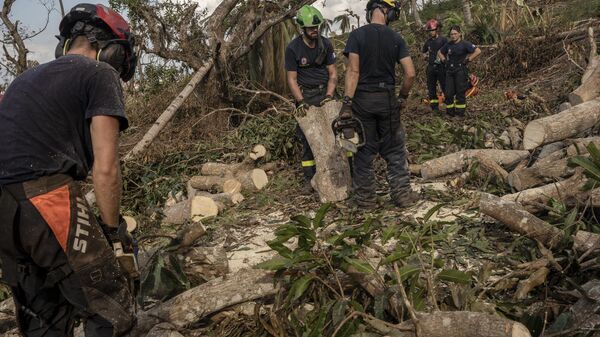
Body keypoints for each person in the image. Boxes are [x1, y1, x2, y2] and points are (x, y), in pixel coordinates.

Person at [0, 3, 138, 336]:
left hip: (3, 210)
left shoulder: (23, 80)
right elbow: (106, 169)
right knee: (112, 312)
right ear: (109, 51)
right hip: (46, 196)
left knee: (44, 319)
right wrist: (114, 230)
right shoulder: (100, 73)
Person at [340, 0, 419, 209]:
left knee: (363, 152)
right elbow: (410, 74)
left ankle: (366, 200)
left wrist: (346, 103)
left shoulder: (357, 36)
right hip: (387, 99)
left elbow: (353, 72)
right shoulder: (396, 38)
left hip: (363, 100)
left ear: (371, 11)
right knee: (394, 150)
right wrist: (401, 97)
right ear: (387, 11)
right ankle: (402, 196)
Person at [285, 5, 338, 192]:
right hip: (306, 94)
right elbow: (291, 79)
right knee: (308, 138)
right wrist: (301, 101)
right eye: (311, 28)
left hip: (326, 93)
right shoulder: (293, 49)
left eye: (317, 27)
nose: (315, 30)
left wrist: (330, 96)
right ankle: (310, 178)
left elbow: (333, 73)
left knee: (337, 135)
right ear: (302, 28)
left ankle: (346, 172)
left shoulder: (326, 44)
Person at [437, 25, 481, 117]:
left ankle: (460, 113)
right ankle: (450, 112)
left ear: (459, 34)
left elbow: (478, 51)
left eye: (455, 34)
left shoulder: (465, 44)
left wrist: (468, 60)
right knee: (448, 93)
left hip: (460, 71)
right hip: (449, 71)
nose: (453, 36)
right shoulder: (448, 44)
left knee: (460, 92)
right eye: (451, 34)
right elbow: (439, 52)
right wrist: (444, 60)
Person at [421, 19, 447, 111]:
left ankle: (449, 106)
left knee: (445, 86)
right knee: (431, 87)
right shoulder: (428, 42)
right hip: (431, 67)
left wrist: (445, 59)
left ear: (437, 30)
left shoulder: (443, 40)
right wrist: (425, 57)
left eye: (432, 30)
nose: (431, 33)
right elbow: (423, 52)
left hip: (441, 66)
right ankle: (434, 107)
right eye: (429, 31)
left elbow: (449, 50)